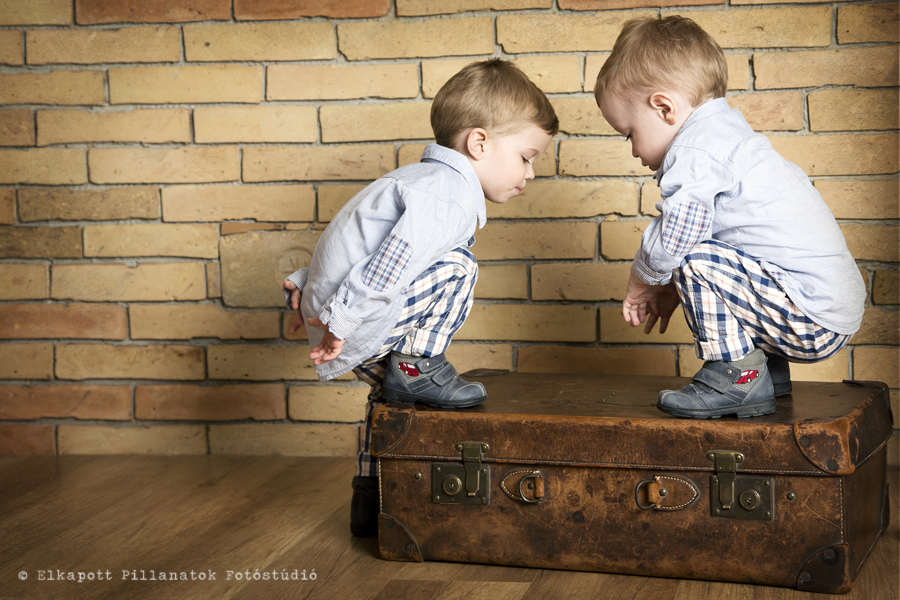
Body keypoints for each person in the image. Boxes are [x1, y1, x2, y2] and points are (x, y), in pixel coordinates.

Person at [283, 59, 558, 535]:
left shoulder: (418, 180)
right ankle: (418, 365)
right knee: (459, 267)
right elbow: (390, 262)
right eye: (527, 156)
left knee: (389, 403)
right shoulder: (447, 193)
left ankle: (373, 500)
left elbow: (361, 241)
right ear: (479, 143)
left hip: (338, 305)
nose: (530, 173)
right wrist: (340, 322)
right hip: (351, 316)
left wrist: (306, 284)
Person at [593, 16, 865, 419]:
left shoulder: (696, 151)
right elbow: (737, 254)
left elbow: (677, 233)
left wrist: (644, 279)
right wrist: (674, 287)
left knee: (689, 253)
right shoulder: (730, 136)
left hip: (810, 315)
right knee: (702, 251)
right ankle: (765, 369)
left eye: (628, 132)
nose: (633, 150)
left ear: (663, 107)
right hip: (821, 309)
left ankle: (738, 377)